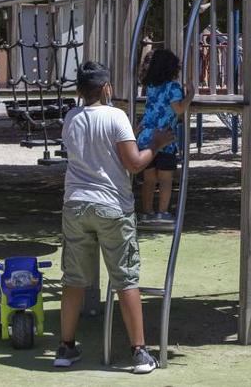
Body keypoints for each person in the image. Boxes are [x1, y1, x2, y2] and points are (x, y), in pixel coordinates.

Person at [54, 61, 174, 375]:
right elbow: (134, 164)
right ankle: (139, 351)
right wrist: (156, 144)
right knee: (125, 279)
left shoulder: (71, 117)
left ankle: (66, 346)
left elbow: (95, 149)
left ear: (79, 91)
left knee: (74, 279)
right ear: (107, 88)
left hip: (76, 204)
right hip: (112, 206)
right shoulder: (116, 116)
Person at [137, 49, 191, 222]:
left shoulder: (151, 87)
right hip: (165, 138)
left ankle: (146, 212)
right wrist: (190, 94)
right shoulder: (172, 87)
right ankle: (162, 212)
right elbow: (179, 109)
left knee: (149, 178)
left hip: (146, 136)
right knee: (165, 178)